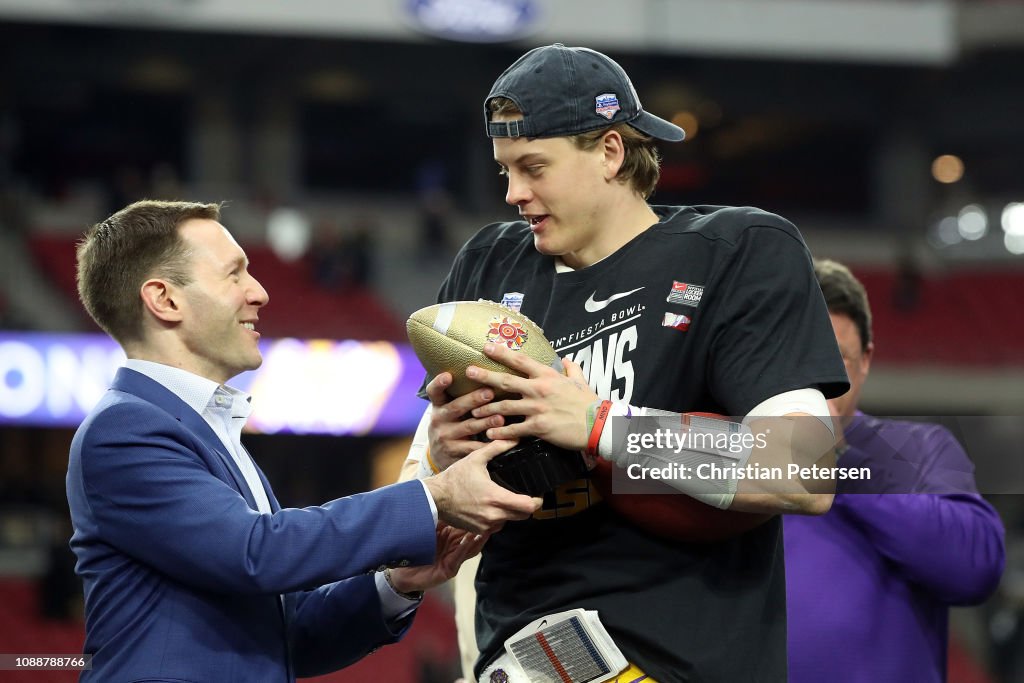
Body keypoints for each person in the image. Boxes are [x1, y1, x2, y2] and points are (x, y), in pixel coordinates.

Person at [401, 44, 850, 682]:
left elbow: (804, 470)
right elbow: (421, 478)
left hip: (680, 659)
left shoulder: (737, 250)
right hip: (514, 657)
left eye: (534, 167)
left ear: (611, 152)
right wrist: (442, 458)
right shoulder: (488, 263)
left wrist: (598, 423)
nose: (513, 193)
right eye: (505, 170)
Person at [67, 199, 541, 682]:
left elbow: (293, 639)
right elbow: (256, 553)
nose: (259, 292)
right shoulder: (125, 429)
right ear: (164, 300)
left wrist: (395, 584)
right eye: (234, 274)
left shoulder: (207, 433)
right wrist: (433, 496)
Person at [784, 258, 1005, 682]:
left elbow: (975, 570)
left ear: (865, 361)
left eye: (836, 361)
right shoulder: (732, 446)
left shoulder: (919, 450)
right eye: (800, 356)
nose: (816, 378)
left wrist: (839, 460)